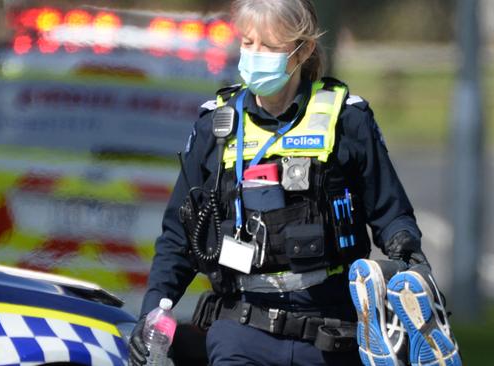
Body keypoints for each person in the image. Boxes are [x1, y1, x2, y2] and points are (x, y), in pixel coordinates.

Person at [128, 1, 461, 365]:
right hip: (240, 329)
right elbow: (179, 235)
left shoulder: (346, 119)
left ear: (302, 51)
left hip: (331, 333)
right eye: (248, 42)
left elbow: (390, 213)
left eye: (269, 46)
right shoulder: (216, 125)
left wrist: (413, 268)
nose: (255, 55)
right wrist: (151, 311)